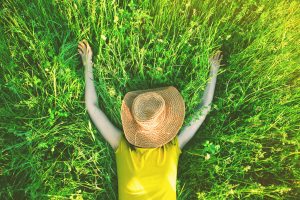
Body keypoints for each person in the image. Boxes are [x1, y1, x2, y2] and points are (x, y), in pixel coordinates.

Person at [78, 39, 223, 200]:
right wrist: (213, 72)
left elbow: (92, 107)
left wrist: (88, 65)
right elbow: (203, 109)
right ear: (165, 125)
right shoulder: (170, 149)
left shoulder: (124, 148)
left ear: (135, 123)